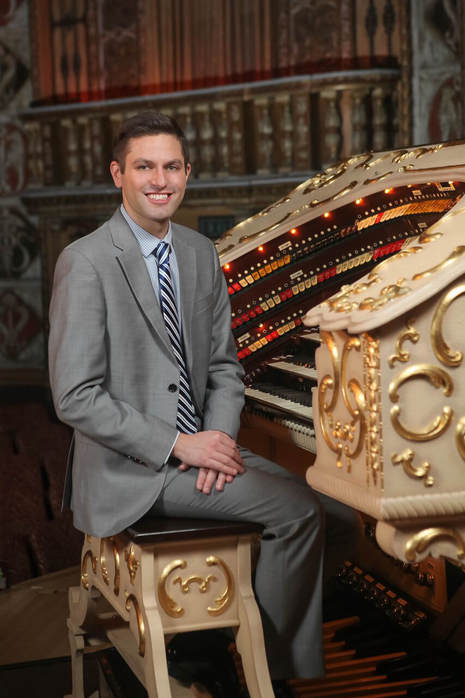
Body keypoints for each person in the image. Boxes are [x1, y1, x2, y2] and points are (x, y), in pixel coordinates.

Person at [48, 111, 357, 696]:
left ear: (187, 173)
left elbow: (222, 366)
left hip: (199, 449)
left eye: (171, 166)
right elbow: (75, 396)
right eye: (144, 167)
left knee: (341, 521)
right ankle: (267, 677)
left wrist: (213, 442)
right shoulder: (85, 261)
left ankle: (223, 643)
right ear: (119, 174)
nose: (159, 179)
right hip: (132, 467)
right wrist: (179, 445)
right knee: (297, 512)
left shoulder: (196, 253)